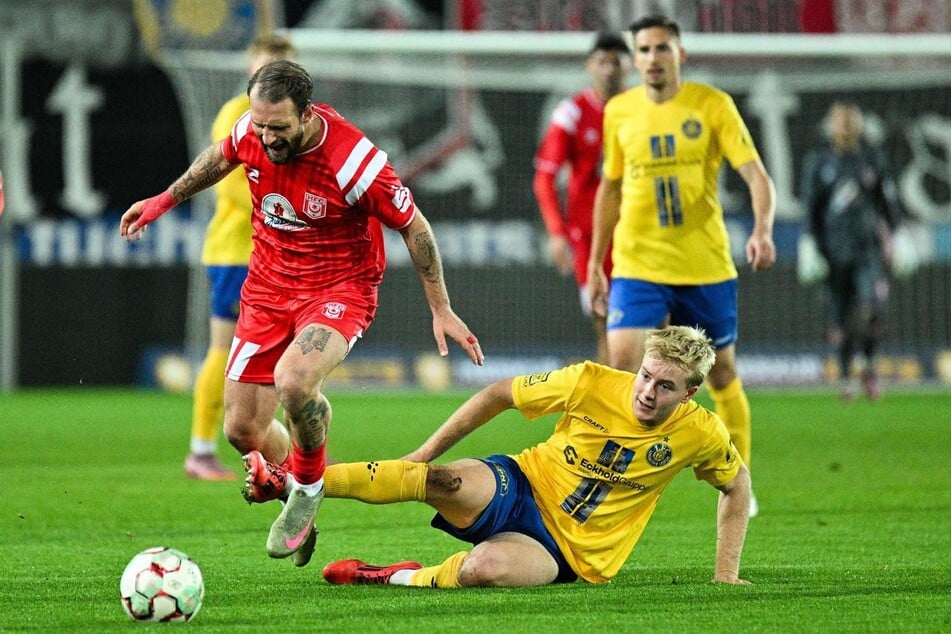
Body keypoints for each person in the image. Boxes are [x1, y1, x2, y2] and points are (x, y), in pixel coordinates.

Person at [120, 60, 484, 568]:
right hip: (267, 289)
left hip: (339, 289)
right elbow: (221, 156)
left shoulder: (354, 161)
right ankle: (289, 477)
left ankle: (308, 489)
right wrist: (163, 199)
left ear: (308, 114)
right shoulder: (253, 127)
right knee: (242, 430)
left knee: (294, 382)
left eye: (279, 128)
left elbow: (415, 227)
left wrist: (441, 307)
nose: (266, 138)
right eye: (260, 125)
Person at [309, 325, 751, 587]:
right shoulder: (591, 381)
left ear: (690, 393)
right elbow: (501, 393)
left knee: (483, 570)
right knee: (446, 480)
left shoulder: (701, 432)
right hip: (522, 483)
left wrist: (725, 572)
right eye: (646, 376)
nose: (648, 393)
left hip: (568, 551)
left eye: (666, 387)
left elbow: (737, 484)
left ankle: (392, 576)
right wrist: (424, 452)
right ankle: (300, 482)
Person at [587, 15, 775, 517]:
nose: (652, 58)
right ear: (636, 58)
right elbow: (609, 188)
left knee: (722, 373)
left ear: (680, 53)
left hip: (704, 264)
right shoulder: (619, 111)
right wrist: (594, 264)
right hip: (637, 261)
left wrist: (761, 229)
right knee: (622, 359)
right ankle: (614, 475)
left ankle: (740, 480)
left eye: (661, 48)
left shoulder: (712, 105)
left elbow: (756, 175)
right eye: (643, 50)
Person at [184, 34, 297, 482]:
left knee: (291, 363)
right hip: (239, 252)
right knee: (224, 350)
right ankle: (201, 449)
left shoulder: (293, 121)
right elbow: (232, 185)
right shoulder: (237, 114)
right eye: (264, 64)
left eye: (280, 65)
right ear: (251, 65)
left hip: (280, 259)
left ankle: (291, 460)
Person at [532, 31, 632, 364]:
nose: (609, 69)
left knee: (644, 326)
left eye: (616, 61)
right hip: (591, 238)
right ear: (590, 65)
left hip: (640, 233)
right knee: (606, 325)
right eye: (602, 61)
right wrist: (557, 233)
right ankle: (616, 405)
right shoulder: (572, 112)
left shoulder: (641, 110)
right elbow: (545, 177)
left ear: (629, 66)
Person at [799, 102, 905, 401]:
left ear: (858, 126)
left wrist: (900, 236)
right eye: (840, 122)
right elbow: (811, 210)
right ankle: (846, 378)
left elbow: (888, 203)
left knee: (874, 310)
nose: (844, 128)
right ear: (831, 127)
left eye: (849, 122)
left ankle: (869, 366)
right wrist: (809, 243)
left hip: (867, 251)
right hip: (833, 254)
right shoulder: (819, 164)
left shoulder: (872, 161)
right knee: (841, 319)